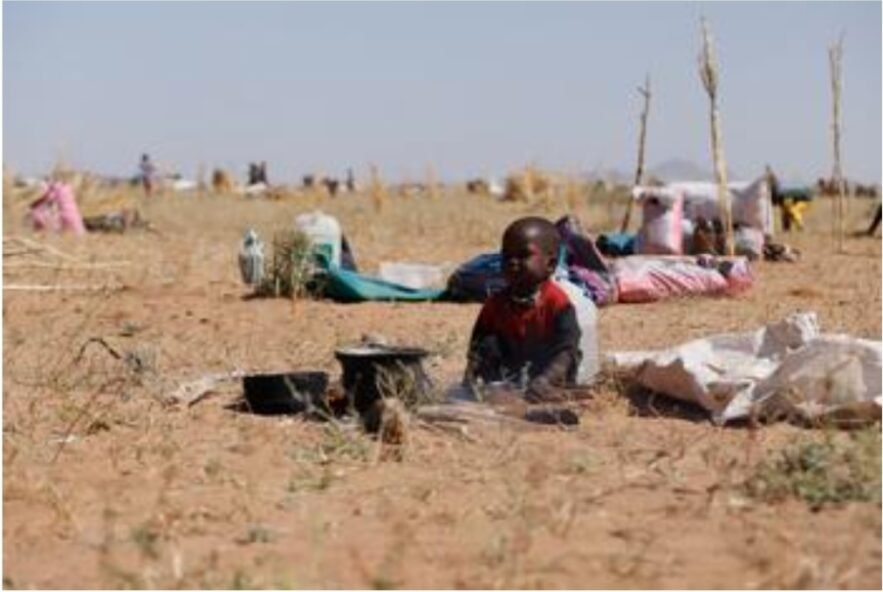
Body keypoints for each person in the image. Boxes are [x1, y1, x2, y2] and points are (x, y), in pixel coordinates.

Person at [463, 216, 581, 403]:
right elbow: (477, 350)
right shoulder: (495, 304)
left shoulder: (557, 303)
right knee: (488, 344)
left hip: (548, 380)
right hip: (508, 380)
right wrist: (469, 382)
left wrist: (545, 380)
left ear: (550, 264)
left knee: (563, 367)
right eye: (507, 256)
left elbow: (566, 351)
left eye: (523, 255)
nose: (512, 262)